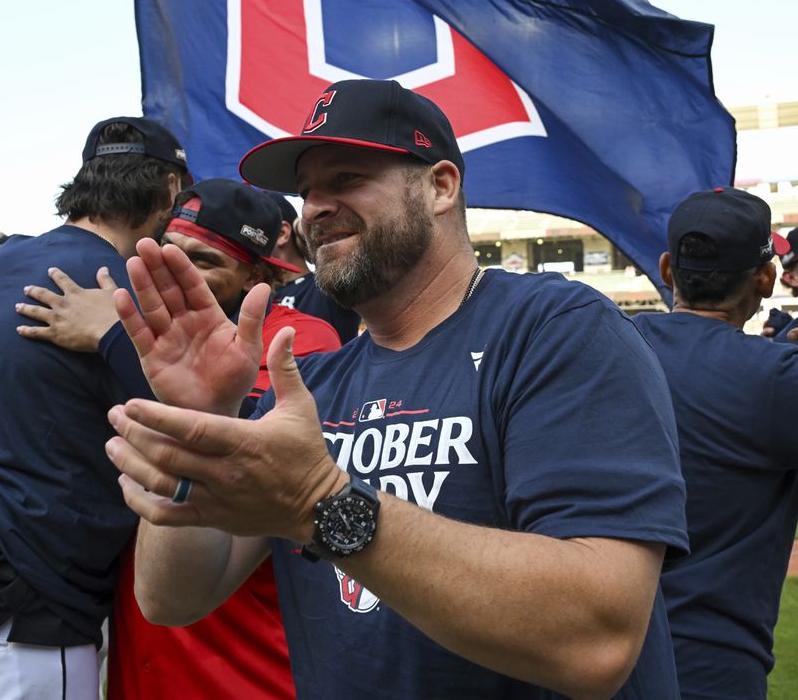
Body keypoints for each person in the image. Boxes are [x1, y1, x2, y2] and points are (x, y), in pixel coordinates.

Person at [105, 79, 688, 699]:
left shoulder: (553, 329)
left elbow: (597, 638)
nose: (315, 209)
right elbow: (173, 597)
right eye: (306, 193)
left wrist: (321, 504)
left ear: (440, 186)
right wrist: (200, 415)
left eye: (348, 179)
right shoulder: (311, 387)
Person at [18, 178, 342, 700]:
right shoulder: (143, 327)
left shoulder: (300, 337)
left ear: (256, 274)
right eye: (168, 254)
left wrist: (111, 339)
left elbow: (231, 443)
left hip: (244, 667)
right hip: (144, 658)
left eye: (204, 261)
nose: (178, 273)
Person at [0, 115, 188, 699]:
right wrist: (114, 337)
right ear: (170, 192)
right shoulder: (132, 296)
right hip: (33, 601)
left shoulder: (8, 261)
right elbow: (194, 434)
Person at [635, 187, 798, 700]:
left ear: (667, 270)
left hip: (586, 662)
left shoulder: (604, 346)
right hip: (712, 671)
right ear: (766, 279)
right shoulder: (777, 379)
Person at [267, 191, 362, 343]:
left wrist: (305, 226)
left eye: (250, 233)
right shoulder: (253, 295)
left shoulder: (328, 285)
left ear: (282, 233)